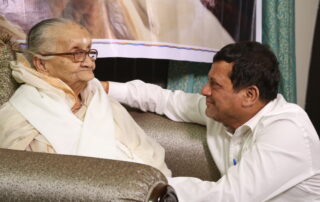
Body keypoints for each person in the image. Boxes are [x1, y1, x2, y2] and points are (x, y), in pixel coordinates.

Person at [106, 41, 320, 201]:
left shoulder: (288, 130)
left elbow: (229, 197)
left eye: (215, 85)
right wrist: (104, 88)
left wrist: (144, 185)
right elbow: (166, 100)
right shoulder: (219, 112)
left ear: (249, 95)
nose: (204, 90)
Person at [0, 18, 171, 177]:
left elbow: (146, 155)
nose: (90, 63)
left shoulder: (98, 98)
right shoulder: (21, 115)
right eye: (76, 54)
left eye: (89, 52)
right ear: (42, 64)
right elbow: (20, 182)